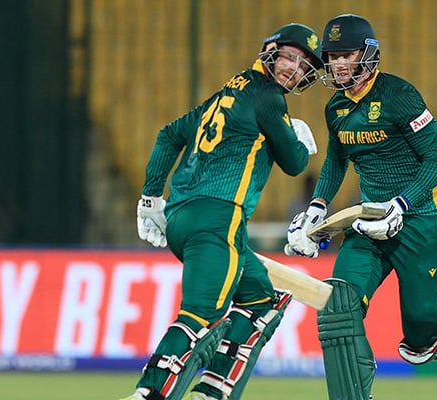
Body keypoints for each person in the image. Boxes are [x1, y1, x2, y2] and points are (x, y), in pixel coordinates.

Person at [285, 14, 437, 400]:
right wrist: (317, 206)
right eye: (332, 57)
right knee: (338, 305)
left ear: (368, 55)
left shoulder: (399, 95)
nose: (337, 65)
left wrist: (401, 203)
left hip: (422, 221)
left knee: (421, 346)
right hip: (370, 224)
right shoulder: (335, 107)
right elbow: (337, 160)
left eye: (346, 55)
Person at [121, 22, 324, 400]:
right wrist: (295, 135)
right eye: (290, 57)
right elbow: (295, 164)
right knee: (201, 315)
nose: (293, 69)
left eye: (302, 65)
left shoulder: (228, 91)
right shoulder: (268, 97)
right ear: (272, 51)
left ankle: (212, 390)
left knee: (263, 300)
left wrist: (150, 199)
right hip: (219, 220)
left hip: (182, 220)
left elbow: (169, 135)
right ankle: (147, 393)